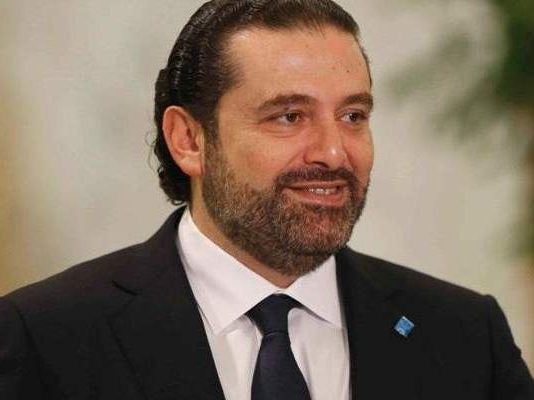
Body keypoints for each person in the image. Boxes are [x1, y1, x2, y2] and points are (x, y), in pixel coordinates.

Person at [0, 0, 532, 399]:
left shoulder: (464, 335)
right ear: (189, 140)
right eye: (289, 116)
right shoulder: (46, 336)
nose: (333, 152)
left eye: (353, 116)